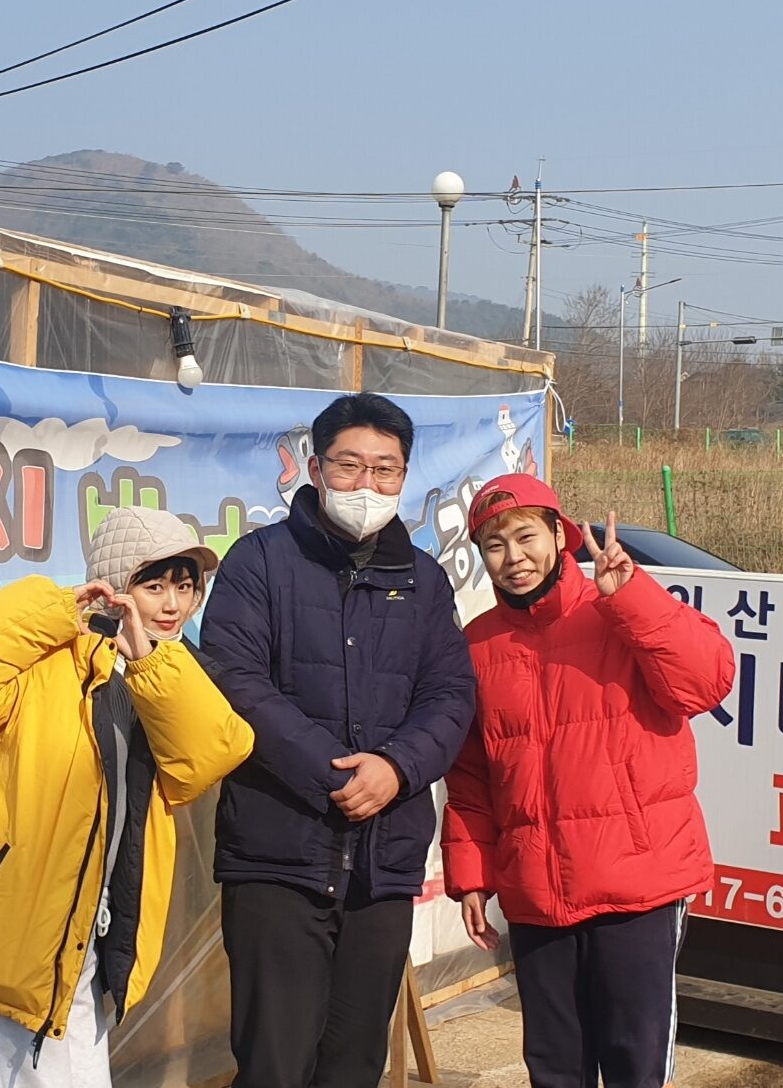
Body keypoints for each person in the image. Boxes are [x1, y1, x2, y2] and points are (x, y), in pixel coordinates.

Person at [0, 507, 254, 1088]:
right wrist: (59, 608)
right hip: (18, 931)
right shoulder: (40, 669)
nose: (172, 604)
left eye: (185, 588)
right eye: (154, 584)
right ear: (114, 589)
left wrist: (148, 663)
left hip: (99, 931)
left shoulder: (171, 677)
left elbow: (209, 756)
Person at [200, 391, 476, 1088]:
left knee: (355, 1062)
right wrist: (337, 773)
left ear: (404, 476)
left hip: (382, 863)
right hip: (278, 854)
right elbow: (236, 681)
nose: (367, 483)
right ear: (315, 468)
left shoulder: (421, 579)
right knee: (273, 1063)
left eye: (386, 469)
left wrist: (396, 766)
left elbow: (450, 694)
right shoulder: (258, 562)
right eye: (350, 465)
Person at [442, 473, 735, 1088]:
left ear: (560, 534)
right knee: (553, 1061)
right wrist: (471, 872)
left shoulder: (618, 610)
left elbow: (707, 682)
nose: (513, 558)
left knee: (635, 1056)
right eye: (494, 546)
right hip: (535, 887)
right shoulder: (477, 646)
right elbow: (471, 774)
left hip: (638, 880)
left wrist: (631, 597)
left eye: (527, 537)